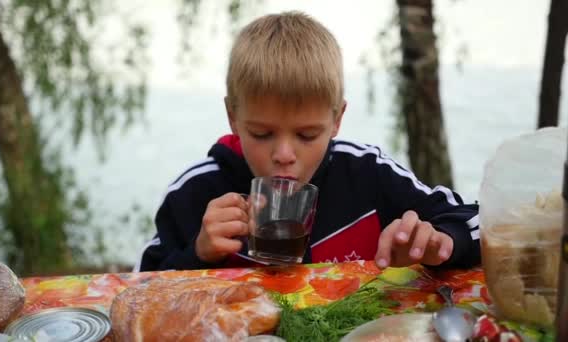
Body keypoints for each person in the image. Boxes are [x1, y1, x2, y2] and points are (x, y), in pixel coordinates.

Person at [134, 11, 481, 272]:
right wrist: (197, 253)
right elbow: (135, 293)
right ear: (232, 118)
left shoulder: (367, 174)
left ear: (337, 120)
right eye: (262, 133)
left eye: (306, 135)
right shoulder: (195, 192)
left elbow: (481, 222)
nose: (284, 155)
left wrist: (444, 241)